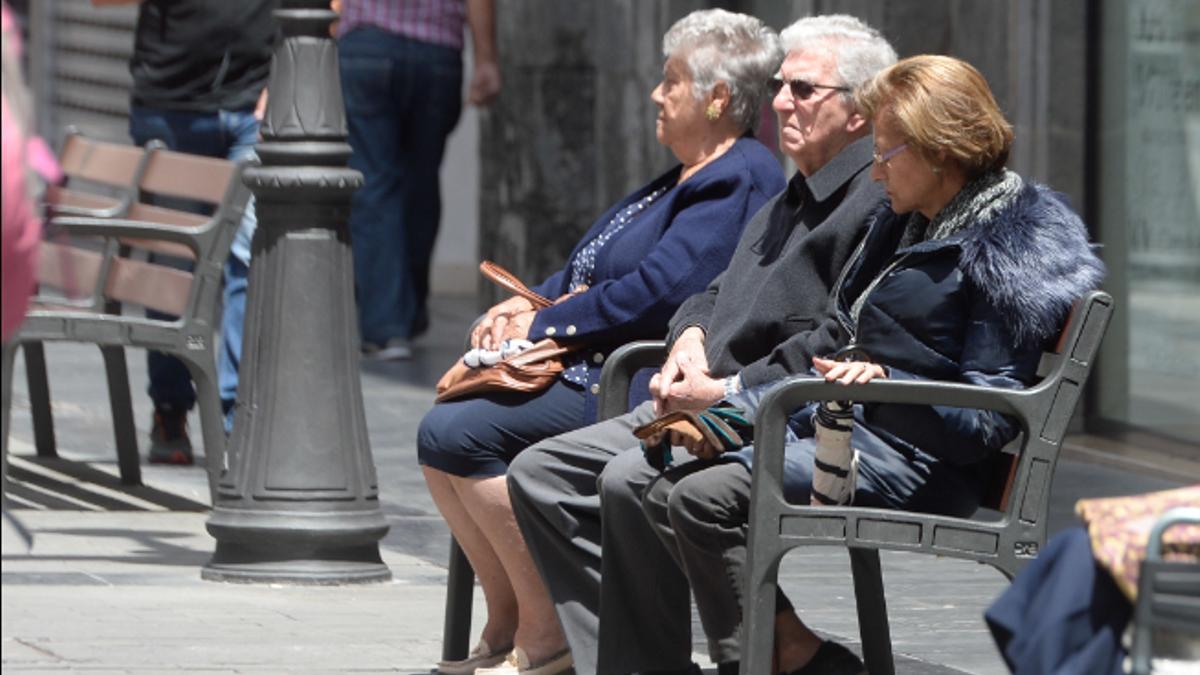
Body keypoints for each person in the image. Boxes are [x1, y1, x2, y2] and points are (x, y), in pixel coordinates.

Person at [627, 54, 1107, 675]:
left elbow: (990, 418)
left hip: (920, 461)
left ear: (940, 150)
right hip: (852, 429)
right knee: (668, 485)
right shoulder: (908, 224)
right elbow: (846, 343)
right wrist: (732, 407)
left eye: (886, 154)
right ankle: (794, 655)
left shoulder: (1004, 248)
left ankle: (777, 661)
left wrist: (886, 383)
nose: (875, 172)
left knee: (703, 498)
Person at [506, 15, 897, 675]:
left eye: (803, 90)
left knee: (633, 477)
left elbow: (837, 340)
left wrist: (723, 393)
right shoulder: (792, 190)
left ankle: (740, 654)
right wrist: (687, 337)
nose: (779, 102)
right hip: (701, 397)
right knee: (540, 473)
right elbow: (710, 290)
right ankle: (656, 658)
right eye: (780, 85)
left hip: (763, 412)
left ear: (859, 112)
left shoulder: (872, 200)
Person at [419, 10, 786, 675]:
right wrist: (529, 300)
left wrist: (542, 326)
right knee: (440, 432)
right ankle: (507, 622)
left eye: (670, 80)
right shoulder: (686, 172)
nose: (655, 93)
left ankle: (549, 632)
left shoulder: (739, 175)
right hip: (594, 362)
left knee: (459, 434)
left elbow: (658, 289)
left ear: (718, 97)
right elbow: (597, 261)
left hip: (627, 379)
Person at [94, 0, 277, 463]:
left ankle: (237, 416)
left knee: (247, 256)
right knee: (176, 261)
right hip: (170, 106)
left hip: (253, 107)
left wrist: (288, 78)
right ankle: (170, 407)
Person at [337, 0, 501, 361]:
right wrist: (486, 59)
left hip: (367, 47)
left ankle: (386, 327)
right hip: (437, 54)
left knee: (375, 187)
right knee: (421, 186)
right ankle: (406, 314)